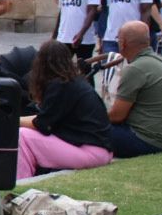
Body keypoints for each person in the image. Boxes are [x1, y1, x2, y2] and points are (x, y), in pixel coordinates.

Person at [16, 41, 112, 179]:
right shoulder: (74, 82)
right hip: (102, 151)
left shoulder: (60, 85)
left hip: (91, 153)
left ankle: (21, 182)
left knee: (22, 136)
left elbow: (42, 125)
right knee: (26, 134)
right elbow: (46, 119)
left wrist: (13, 121)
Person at [106, 21, 162, 157]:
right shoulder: (161, 61)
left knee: (88, 128)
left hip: (146, 140)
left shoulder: (135, 68)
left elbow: (117, 116)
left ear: (123, 43)